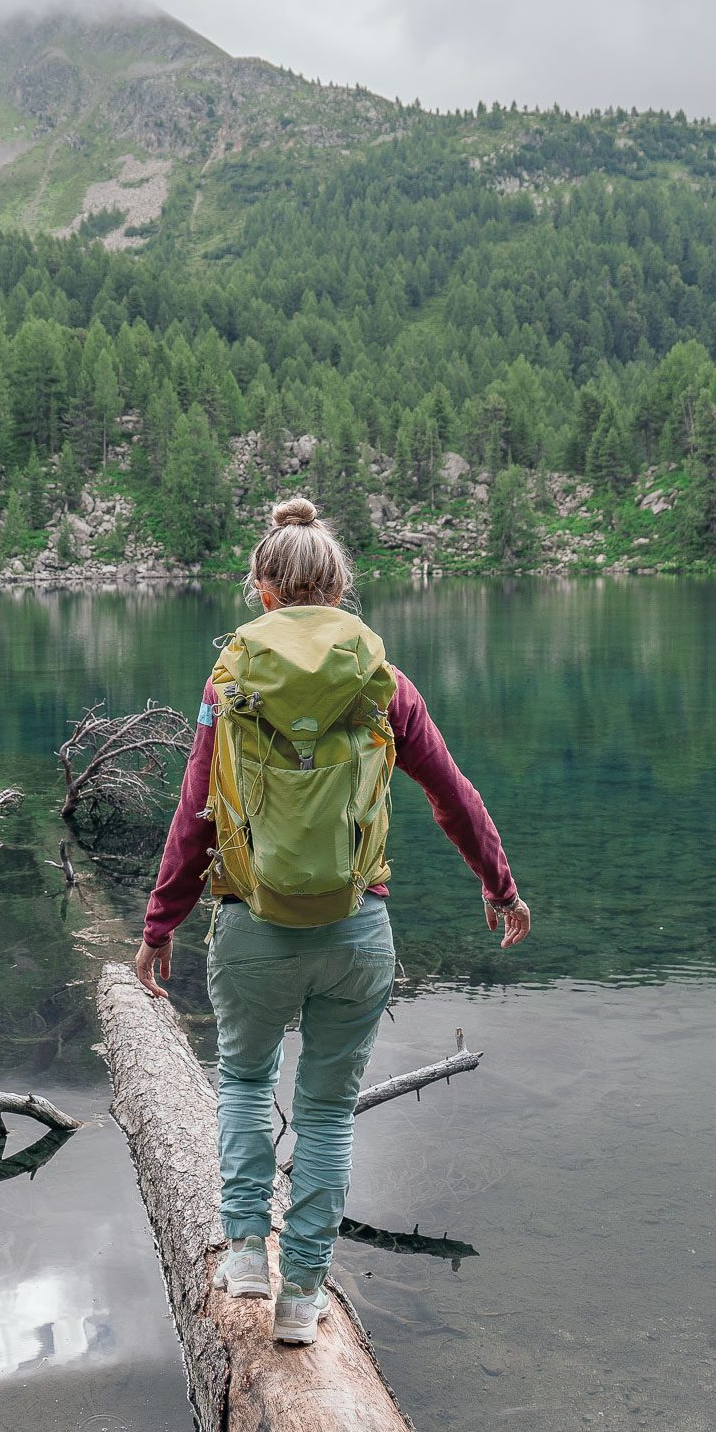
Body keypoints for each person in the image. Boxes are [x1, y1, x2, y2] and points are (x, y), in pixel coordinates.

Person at [133, 496, 530, 1345]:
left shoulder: (229, 684)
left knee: (242, 1082)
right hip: (357, 931)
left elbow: (195, 811)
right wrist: (498, 884)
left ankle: (244, 1249)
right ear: (342, 590)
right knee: (325, 1115)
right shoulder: (384, 685)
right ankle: (304, 1296)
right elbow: (452, 798)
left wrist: (160, 922)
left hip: (250, 926)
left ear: (265, 592)